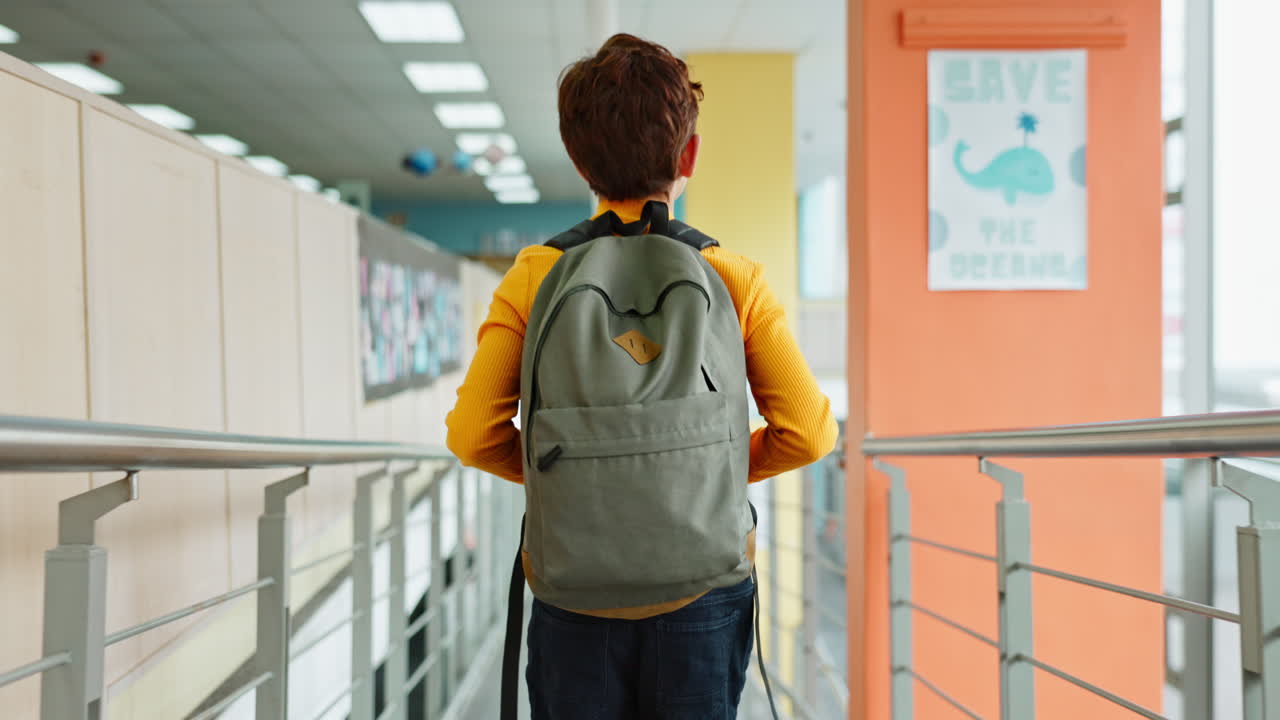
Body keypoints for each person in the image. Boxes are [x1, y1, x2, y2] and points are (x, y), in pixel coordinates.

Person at [446, 33, 837, 720]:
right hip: (701, 596)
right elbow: (807, 433)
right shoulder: (734, 277)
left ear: (577, 159)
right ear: (688, 156)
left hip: (575, 593)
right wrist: (692, 472)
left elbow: (473, 434)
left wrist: (584, 478)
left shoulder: (534, 277)